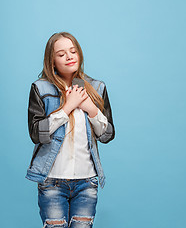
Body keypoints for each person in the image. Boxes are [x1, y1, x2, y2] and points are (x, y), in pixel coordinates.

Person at [26, 32, 115, 228]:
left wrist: (90, 108)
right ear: (52, 61)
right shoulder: (40, 88)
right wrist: (68, 106)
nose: (69, 56)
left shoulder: (97, 88)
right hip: (52, 182)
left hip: (87, 182)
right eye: (61, 54)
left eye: (73, 51)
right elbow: (36, 133)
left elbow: (107, 134)